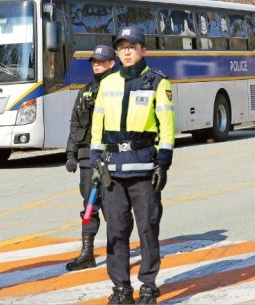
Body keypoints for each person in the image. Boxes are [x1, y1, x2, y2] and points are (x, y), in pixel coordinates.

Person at [90, 26, 175, 304]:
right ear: (118, 52)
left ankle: (148, 285)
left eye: (133, 46)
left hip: (144, 170)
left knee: (148, 228)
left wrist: (163, 163)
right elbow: (97, 127)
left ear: (143, 50)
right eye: (122, 47)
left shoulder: (158, 83)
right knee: (116, 231)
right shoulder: (107, 83)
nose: (127, 51)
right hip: (112, 171)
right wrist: (94, 162)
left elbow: (167, 128)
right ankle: (121, 289)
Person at [65, 45, 116, 271]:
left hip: (114, 155)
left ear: (111, 63)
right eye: (93, 61)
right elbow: (76, 124)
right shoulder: (85, 91)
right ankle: (87, 253)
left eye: (101, 61)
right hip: (87, 156)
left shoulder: (120, 89)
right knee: (89, 206)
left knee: (115, 207)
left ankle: (118, 250)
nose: (96, 64)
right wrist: (71, 154)